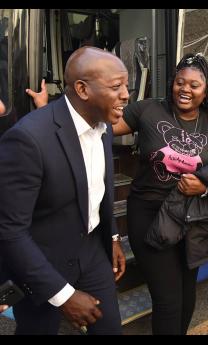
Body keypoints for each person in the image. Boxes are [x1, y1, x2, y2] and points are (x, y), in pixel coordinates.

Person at [0, 46, 127, 334]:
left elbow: (99, 192)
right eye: (116, 86)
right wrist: (64, 294)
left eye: (126, 85)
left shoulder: (103, 124)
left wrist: (114, 236)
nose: (126, 95)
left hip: (93, 253)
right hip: (41, 264)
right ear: (82, 89)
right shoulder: (28, 139)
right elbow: (10, 231)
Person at [113, 53, 208, 335]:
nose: (185, 89)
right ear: (172, 83)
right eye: (180, 82)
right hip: (149, 214)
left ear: (206, 90)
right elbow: (104, 126)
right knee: (167, 298)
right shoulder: (148, 110)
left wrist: (203, 186)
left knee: (187, 292)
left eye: (194, 85)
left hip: (192, 216)